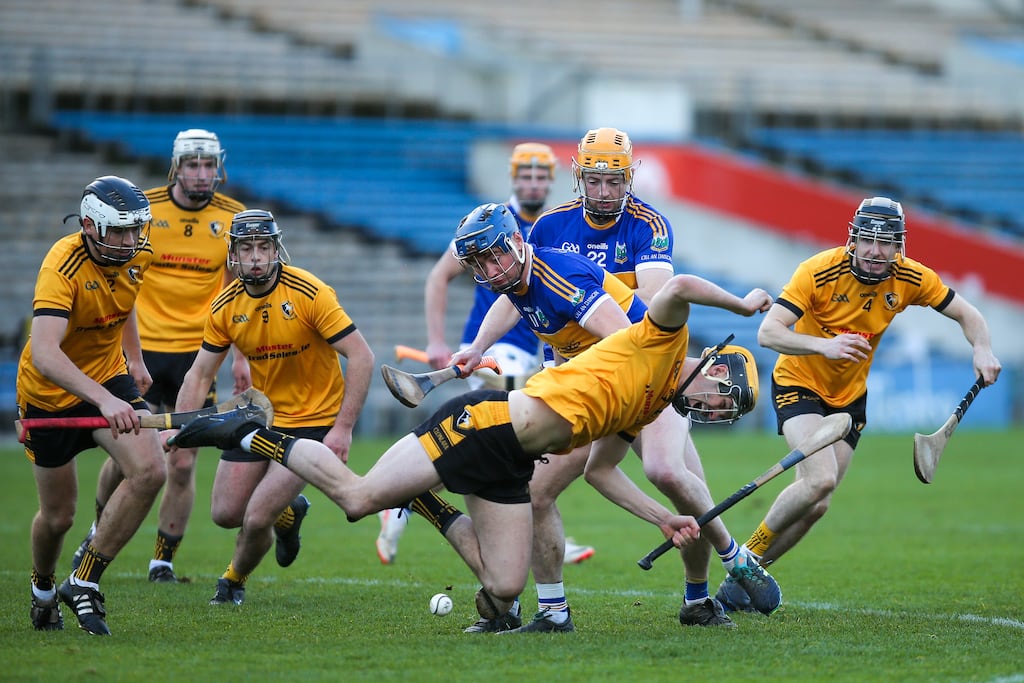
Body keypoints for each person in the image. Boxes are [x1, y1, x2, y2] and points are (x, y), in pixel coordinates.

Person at [168, 264, 773, 630]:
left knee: (505, 593)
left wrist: (663, 516)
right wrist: (743, 306)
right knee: (356, 499)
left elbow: (600, 474)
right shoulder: (659, 342)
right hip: (482, 426)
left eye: (725, 412)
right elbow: (685, 285)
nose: (715, 410)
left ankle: (429, 503)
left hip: (511, 463)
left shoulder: (649, 405)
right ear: (715, 369)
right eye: (723, 397)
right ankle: (251, 432)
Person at [482, 126, 765, 632]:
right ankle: (551, 612)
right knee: (535, 490)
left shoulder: (648, 225)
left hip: (639, 373)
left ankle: (699, 598)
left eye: (615, 181)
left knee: (675, 477)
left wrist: (590, 290)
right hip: (572, 384)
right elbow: (516, 293)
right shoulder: (547, 227)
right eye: (596, 181)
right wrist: (475, 349)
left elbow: (656, 304)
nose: (606, 191)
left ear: (629, 177)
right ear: (579, 179)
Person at [716, 196, 1002, 612]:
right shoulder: (817, 271)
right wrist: (824, 346)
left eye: (885, 243)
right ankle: (744, 561)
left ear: (898, 247)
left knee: (818, 504)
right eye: (867, 240)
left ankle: (740, 584)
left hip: (850, 399)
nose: (874, 251)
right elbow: (769, 333)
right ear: (852, 238)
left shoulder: (909, 277)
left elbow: (967, 314)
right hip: (799, 383)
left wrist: (983, 348)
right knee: (820, 480)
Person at [376, 142, 595, 567]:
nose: (532, 183)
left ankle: (407, 496)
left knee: (502, 447)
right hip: (495, 348)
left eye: (539, 177)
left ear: (550, 180)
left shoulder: (551, 225)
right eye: (525, 176)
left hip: (539, 346)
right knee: (507, 443)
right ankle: (404, 497)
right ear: (514, 179)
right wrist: (438, 340)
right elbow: (439, 276)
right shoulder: (490, 223)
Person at [70, 130, 272, 584]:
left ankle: (162, 560)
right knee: (131, 452)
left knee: (181, 460)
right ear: (175, 166)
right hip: (142, 352)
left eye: (208, 165)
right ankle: (98, 530)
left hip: (197, 356)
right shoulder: (143, 210)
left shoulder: (233, 217)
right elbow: (122, 284)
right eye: (192, 164)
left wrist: (239, 356)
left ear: (218, 166)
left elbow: (239, 291)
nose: (201, 173)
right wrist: (132, 356)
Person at [168, 209, 374, 605]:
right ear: (234, 254)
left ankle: (232, 581)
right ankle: (289, 512)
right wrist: (180, 427)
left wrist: (343, 427)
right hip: (259, 416)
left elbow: (361, 357)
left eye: (264, 247)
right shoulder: (224, 306)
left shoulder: (310, 293)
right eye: (247, 248)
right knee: (226, 514)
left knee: (256, 515)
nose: (257, 256)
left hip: (313, 422)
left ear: (277, 249)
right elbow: (198, 375)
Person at [20, 176, 166, 635]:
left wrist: (135, 359)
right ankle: (43, 588)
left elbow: (124, 302)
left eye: (134, 231)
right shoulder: (61, 267)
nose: (128, 242)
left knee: (151, 469)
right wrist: (103, 401)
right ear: (89, 225)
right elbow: (45, 352)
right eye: (117, 232)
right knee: (58, 516)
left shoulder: (137, 252)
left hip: (107, 374)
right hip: (49, 394)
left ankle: (84, 580)